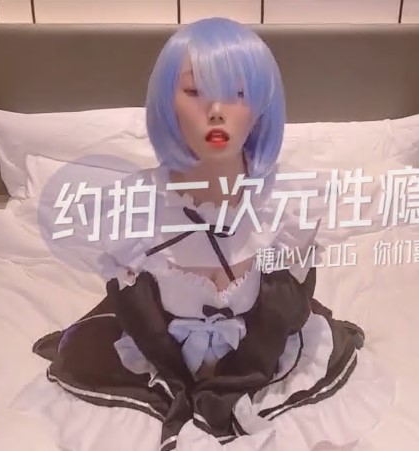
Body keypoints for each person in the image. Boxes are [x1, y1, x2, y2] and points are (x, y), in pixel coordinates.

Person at [28, 17, 393, 451]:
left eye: (238, 93)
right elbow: (140, 317)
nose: (216, 110)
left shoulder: (291, 205)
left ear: (261, 105)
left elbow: (282, 311)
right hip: (156, 367)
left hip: (267, 361)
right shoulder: (130, 208)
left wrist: (233, 387)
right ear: (166, 102)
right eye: (194, 91)